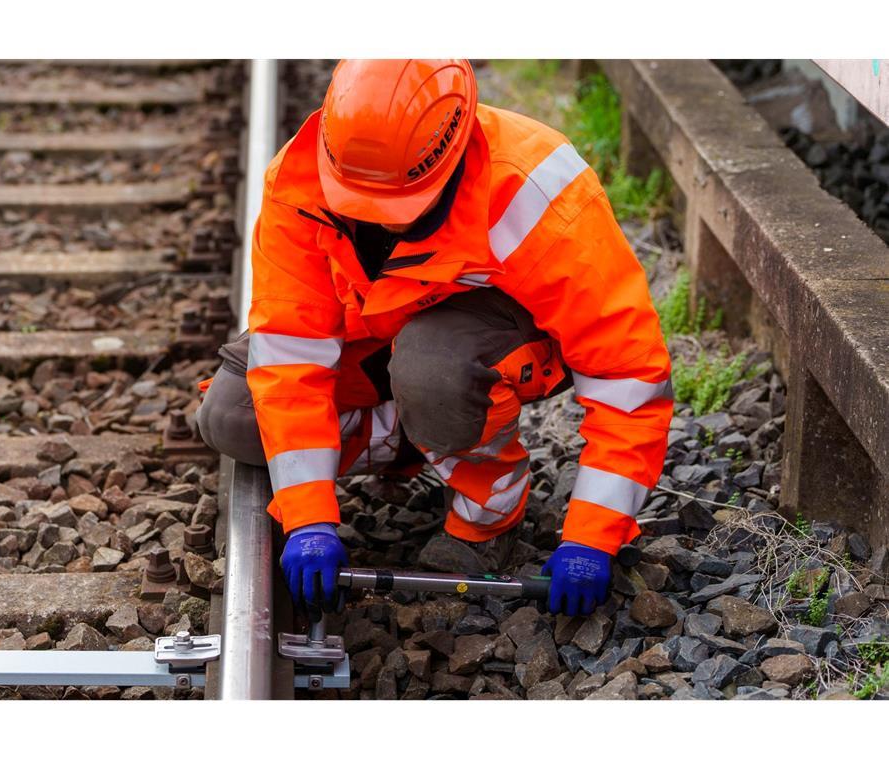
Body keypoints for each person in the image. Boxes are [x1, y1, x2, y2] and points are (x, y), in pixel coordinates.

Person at [196, 59, 672, 618]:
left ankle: (488, 513)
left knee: (433, 367)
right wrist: (308, 517)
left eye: (402, 210)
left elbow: (627, 378)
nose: (379, 223)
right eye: (358, 207)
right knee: (232, 416)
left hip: (484, 346)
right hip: (377, 333)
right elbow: (290, 355)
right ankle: (420, 435)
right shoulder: (298, 182)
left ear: (456, 151)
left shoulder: (536, 188)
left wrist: (592, 538)